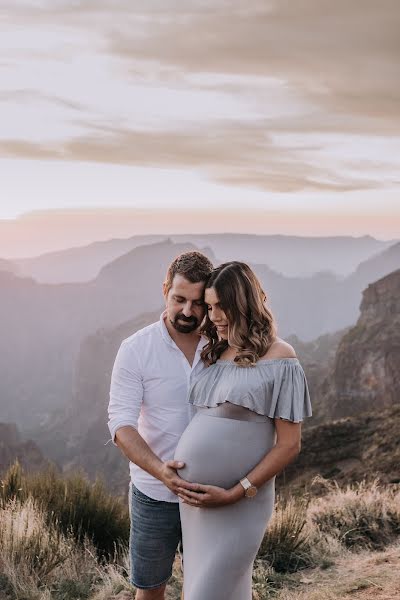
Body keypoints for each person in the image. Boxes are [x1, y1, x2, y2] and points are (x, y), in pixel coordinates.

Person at [174, 261, 312, 600]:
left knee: (206, 593)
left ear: (245, 303)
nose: (214, 315)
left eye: (222, 306)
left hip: (241, 503)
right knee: (214, 589)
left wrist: (237, 491)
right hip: (195, 505)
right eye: (210, 306)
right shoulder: (213, 353)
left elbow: (289, 445)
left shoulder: (281, 357)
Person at [107, 251, 213, 600]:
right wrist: (161, 471)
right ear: (165, 290)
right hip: (154, 495)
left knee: (218, 584)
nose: (188, 311)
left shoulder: (224, 344)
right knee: (150, 590)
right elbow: (121, 424)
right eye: (179, 299)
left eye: (197, 303)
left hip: (215, 493)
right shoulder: (136, 349)